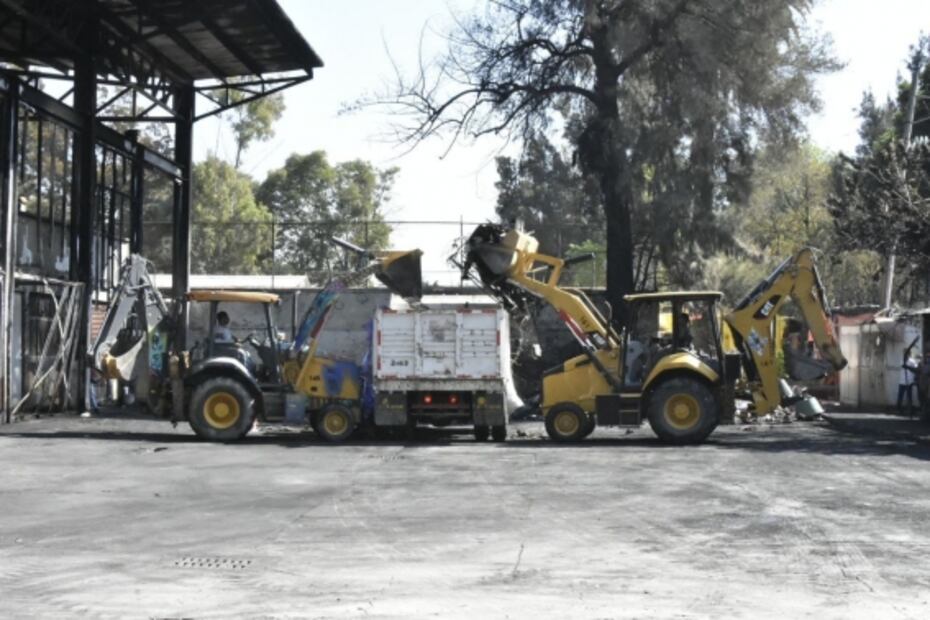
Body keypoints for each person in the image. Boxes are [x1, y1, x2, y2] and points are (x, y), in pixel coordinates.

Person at [897, 339, 919, 417]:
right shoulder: (902, 360)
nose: (904, 354)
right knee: (900, 397)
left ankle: (910, 411)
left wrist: (908, 367)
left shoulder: (912, 361)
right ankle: (899, 410)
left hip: (909, 381)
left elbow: (916, 370)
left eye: (905, 353)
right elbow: (902, 366)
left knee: (909, 397)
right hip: (902, 381)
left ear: (908, 354)